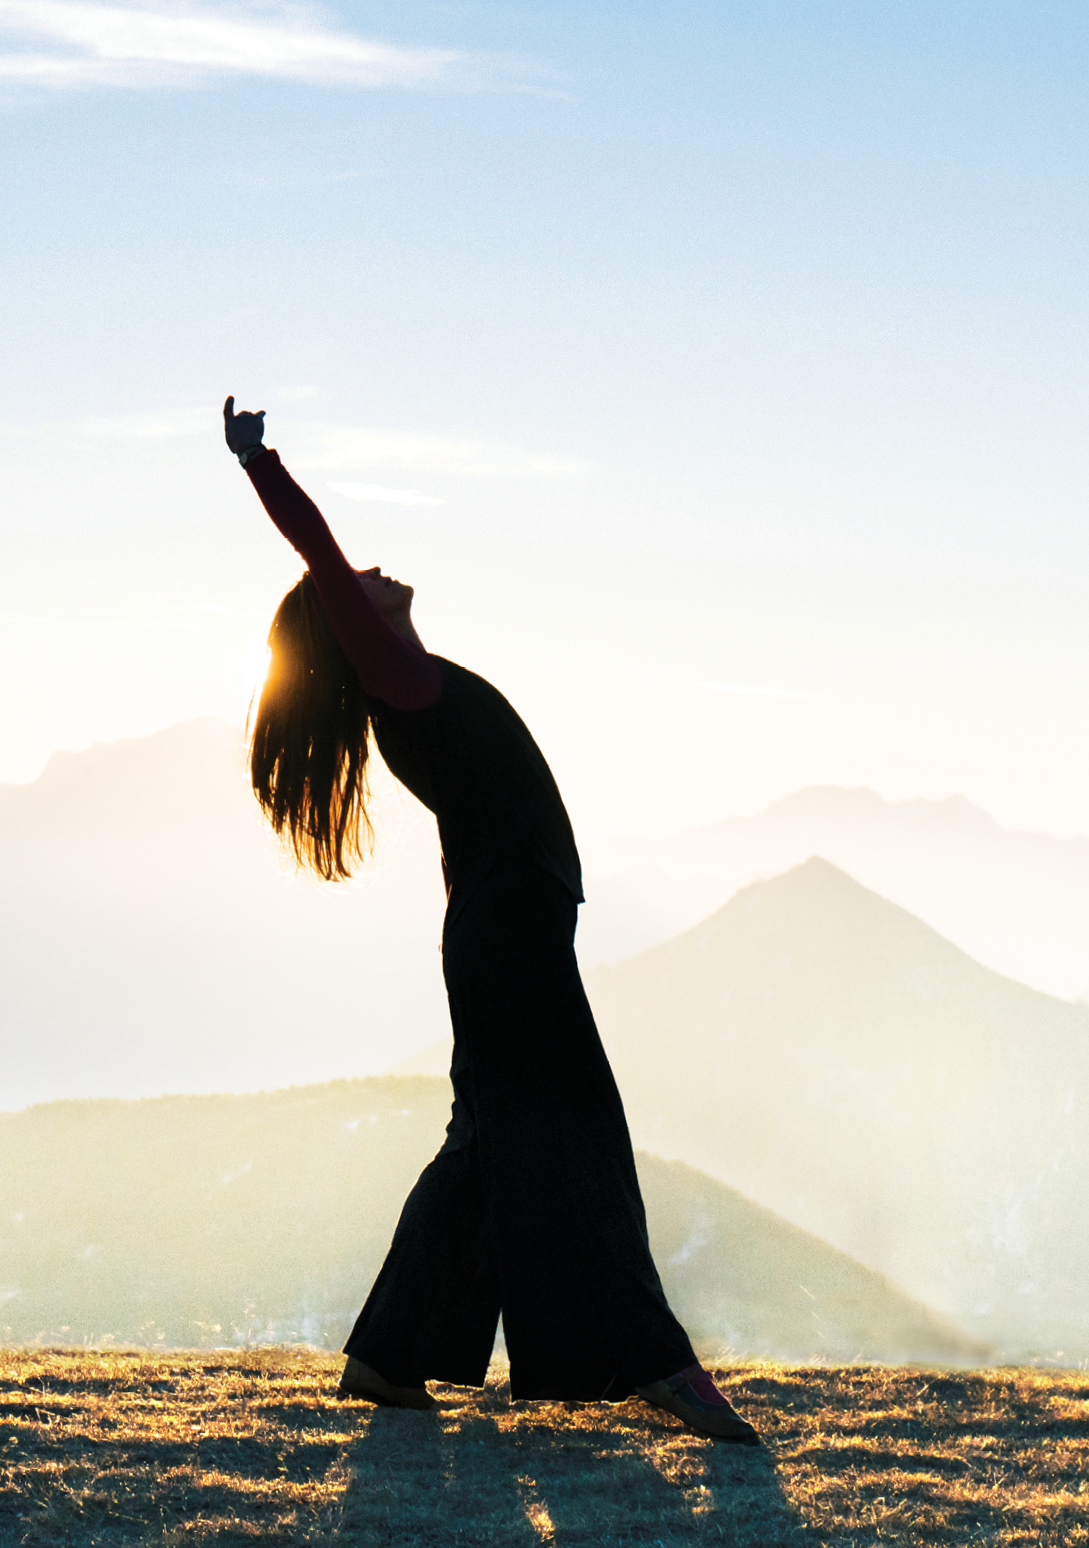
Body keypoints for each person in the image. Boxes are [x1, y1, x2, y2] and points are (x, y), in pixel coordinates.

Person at [223, 396, 759, 1445]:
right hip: (510, 939)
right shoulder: (401, 690)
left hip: (502, 935)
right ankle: (659, 1366)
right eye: (356, 588)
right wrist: (261, 463)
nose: (372, 574)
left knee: (486, 1146)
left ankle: (386, 1356)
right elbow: (319, 546)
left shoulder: (415, 689)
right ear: (348, 627)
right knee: (578, 1139)